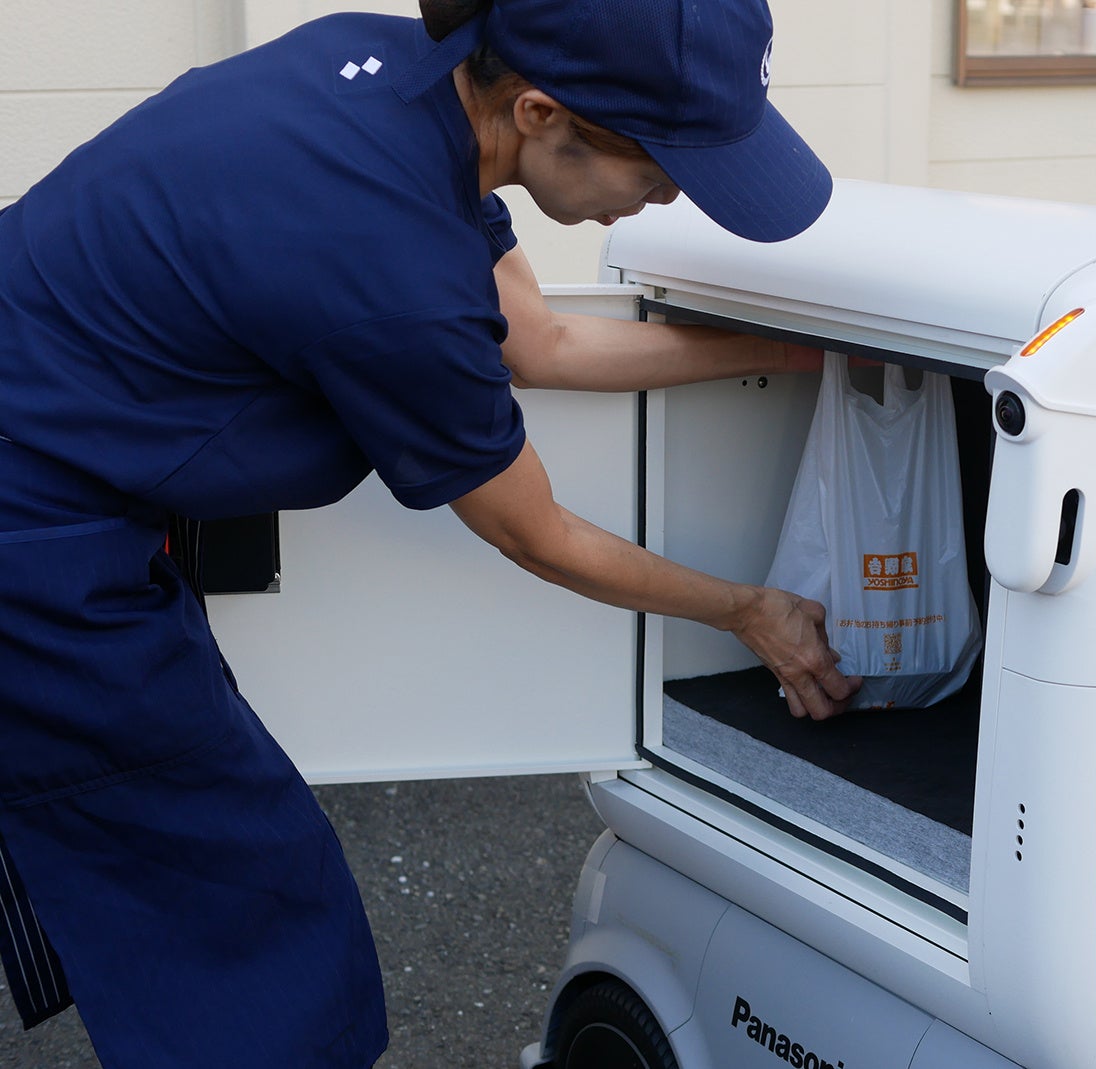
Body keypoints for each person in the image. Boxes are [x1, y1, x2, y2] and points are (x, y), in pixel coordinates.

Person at [0, 0, 860, 1064]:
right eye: (659, 165)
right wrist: (749, 610)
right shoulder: (387, 267)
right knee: (249, 918)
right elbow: (535, 532)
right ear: (544, 112)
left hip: (50, 459)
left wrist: (788, 354)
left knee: (172, 856)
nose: (672, 191)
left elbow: (534, 341)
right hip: (29, 545)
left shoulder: (391, 74)